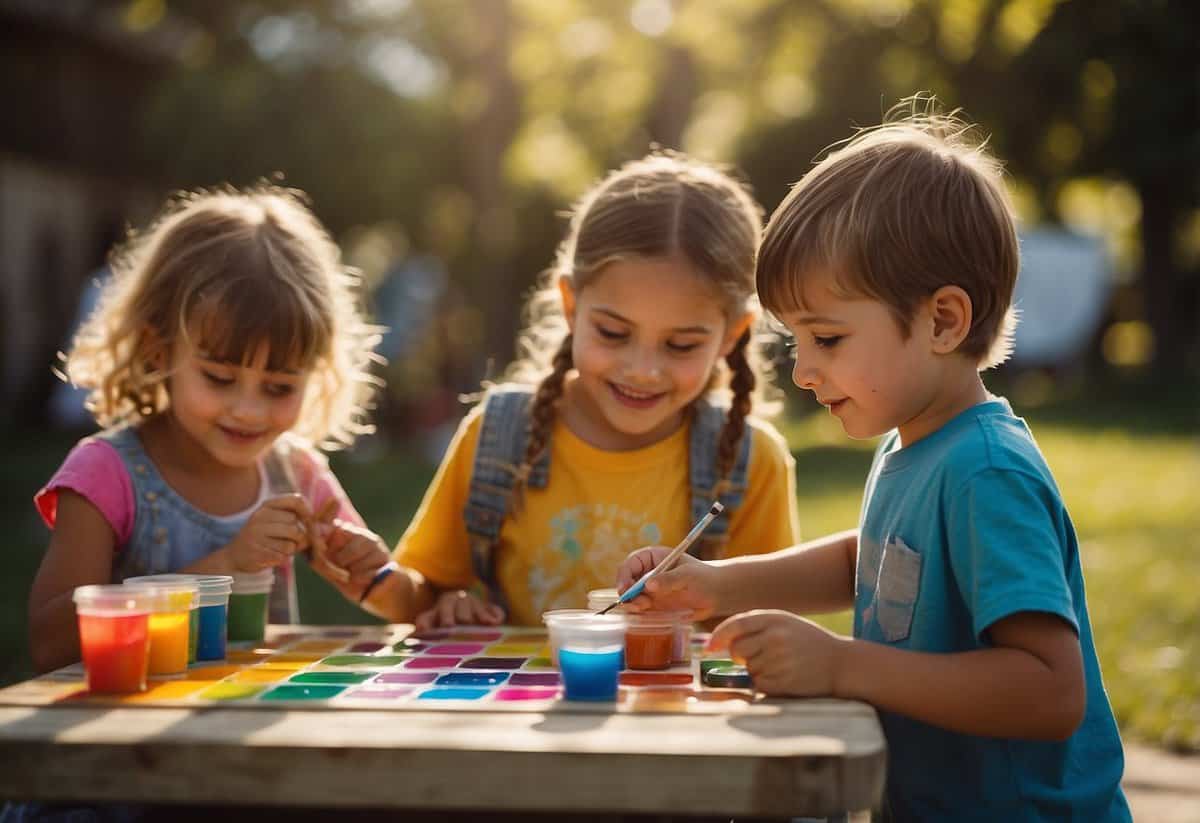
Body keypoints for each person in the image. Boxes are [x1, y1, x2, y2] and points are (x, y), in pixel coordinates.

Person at [617, 100, 1131, 821]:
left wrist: (841, 665)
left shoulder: (987, 471)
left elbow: (1050, 691)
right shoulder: (915, 439)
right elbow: (877, 560)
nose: (801, 372)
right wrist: (715, 585)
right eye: (797, 341)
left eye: (825, 338)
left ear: (943, 320)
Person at [363, 151, 801, 630]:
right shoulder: (498, 436)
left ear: (732, 336)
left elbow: (769, 628)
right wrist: (442, 607)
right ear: (572, 305)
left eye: (681, 344)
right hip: (521, 704)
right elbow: (424, 594)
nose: (642, 370)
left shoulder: (749, 462)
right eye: (613, 333)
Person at [27, 185, 395, 675]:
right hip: (123, 741)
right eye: (219, 379)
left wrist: (378, 573)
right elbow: (49, 644)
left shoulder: (297, 474)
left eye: (280, 387)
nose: (248, 411)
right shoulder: (106, 473)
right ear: (159, 352)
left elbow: (401, 604)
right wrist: (225, 566)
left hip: (250, 733)